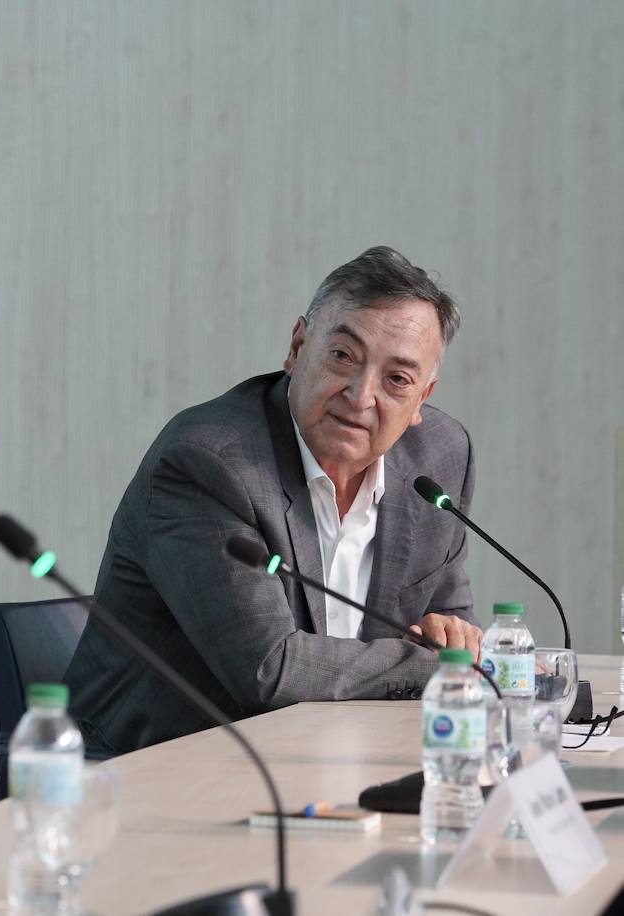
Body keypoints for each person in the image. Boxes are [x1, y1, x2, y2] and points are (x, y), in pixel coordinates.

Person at [64, 246, 484, 755]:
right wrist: (432, 666)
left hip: (334, 757)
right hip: (159, 769)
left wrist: (453, 642)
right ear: (298, 347)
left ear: (423, 398)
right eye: (343, 356)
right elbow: (270, 669)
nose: (360, 395)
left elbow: (455, 632)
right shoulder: (209, 462)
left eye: (397, 379)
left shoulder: (438, 459)